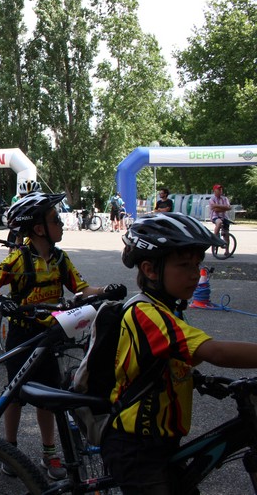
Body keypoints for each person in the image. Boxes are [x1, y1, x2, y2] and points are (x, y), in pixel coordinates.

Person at [102, 212, 257, 494]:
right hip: (136, 447)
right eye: (184, 265)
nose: (195, 274)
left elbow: (170, 360)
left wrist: (200, 380)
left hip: (161, 440)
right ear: (150, 270)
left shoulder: (169, 309)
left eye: (197, 264)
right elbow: (216, 352)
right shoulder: (146, 313)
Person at [0, 192, 120, 480]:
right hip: (22, 335)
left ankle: (49, 453)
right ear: (39, 228)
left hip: (50, 335)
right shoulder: (19, 258)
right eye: (56, 220)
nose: (62, 224)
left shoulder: (60, 259)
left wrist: (106, 290)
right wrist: (0, 300)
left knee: (48, 396)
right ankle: (9, 449)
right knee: (14, 394)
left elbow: (82, 289)